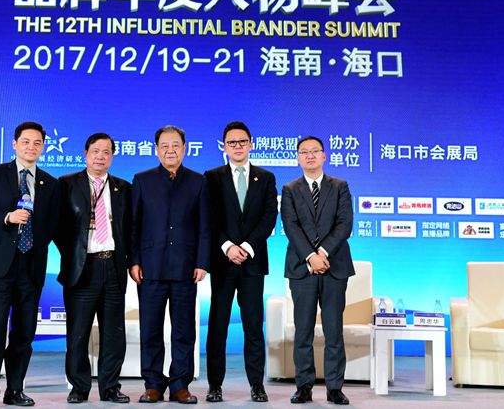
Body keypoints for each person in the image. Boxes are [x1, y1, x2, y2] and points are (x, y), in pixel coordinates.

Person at [0, 122, 60, 408]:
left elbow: (53, 225)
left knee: (24, 332)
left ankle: (15, 389)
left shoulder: (50, 183)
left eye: (37, 143)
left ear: (43, 147)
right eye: (26, 142)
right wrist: (7, 217)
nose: (31, 147)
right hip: (1, 265)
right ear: (14, 144)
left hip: (32, 266)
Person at [130, 125, 210, 404]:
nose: (170, 150)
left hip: (186, 268)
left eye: (175, 145)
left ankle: (180, 385)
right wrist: (134, 261)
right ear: (156, 150)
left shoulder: (198, 181)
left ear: (184, 148)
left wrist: (202, 262)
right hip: (150, 267)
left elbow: (204, 227)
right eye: (164, 145)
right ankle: (153, 384)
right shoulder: (142, 180)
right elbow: (133, 225)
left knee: (184, 331)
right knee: (150, 329)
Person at [203, 121, 278, 403]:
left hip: (252, 263)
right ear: (224, 146)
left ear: (251, 144)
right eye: (231, 142)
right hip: (223, 263)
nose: (237, 146)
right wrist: (227, 247)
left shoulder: (266, 178)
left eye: (242, 141)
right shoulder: (212, 177)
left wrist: (246, 247)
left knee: (253, 327)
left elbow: (269, 217)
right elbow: (209, 218)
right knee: (218, 327)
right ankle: (215, 386)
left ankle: (257, 385)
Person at [58, 133, 131, 404]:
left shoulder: (123, 188)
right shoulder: (67, 184)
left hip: (113, 266)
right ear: (86, 154)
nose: (100, 156)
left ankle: (110, 387)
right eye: (96, 151)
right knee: (78, 333)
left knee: (113, 334)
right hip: (82, 268)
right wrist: (73, 253)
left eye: (106, 152)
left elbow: (130, 229)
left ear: (112, 156)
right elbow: (57, 226)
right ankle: (79, 387)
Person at [280, 136, 354, 406]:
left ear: (324, 156)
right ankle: (304, 387)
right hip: (302, 268)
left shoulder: (340, 186)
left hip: (334, 267)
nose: (310, 155)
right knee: (303, 332)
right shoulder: (290, 189)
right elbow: (291, 226)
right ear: (298, 158)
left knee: (334, 331)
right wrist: (311, 257)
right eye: (304, 152)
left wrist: (323, 253)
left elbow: (345, 224)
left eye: (315, 151)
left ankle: (335, 388)